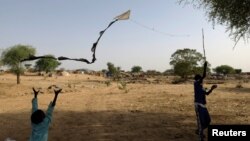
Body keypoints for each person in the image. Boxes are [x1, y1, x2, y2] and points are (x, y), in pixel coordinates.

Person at [194, 61, 217, 141]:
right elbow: (203, 76)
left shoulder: (202, 87)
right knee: (200, 122)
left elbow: (207, 93)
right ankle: (201, 136)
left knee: (207, 121)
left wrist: (212, 88)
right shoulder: (196, 84)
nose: (202, 81)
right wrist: (205, 66)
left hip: (203, 106)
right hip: (198, 106)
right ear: (198, 79)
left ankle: (199, 131)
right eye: (201, 79)